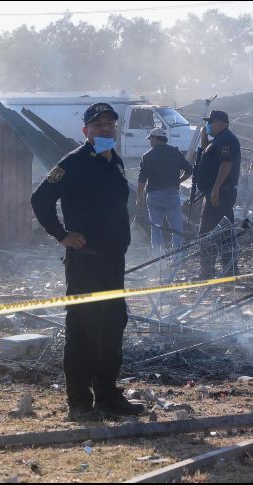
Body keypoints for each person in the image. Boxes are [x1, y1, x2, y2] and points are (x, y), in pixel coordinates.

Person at [31, 102, 144, 422]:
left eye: (110, 125)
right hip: (86, 262)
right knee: (83, 330)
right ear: (86, 132)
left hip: (113, 261)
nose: (105, 130)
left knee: (111, 328)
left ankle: (107, 395)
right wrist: (61, 234)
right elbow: (40, 199)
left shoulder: (115, 161)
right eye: (98, 126)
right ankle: (79, 403)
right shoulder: (74, 163)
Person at [195, 110, 241, 278]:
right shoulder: (218, 140)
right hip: (217, 193)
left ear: (220, 123)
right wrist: (203, 136)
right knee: (223, 232)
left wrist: (215, 190)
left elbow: (226, 165)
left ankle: (208, 272)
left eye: (210, 122)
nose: (208, 125)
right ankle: (229, 269)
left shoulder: (227, 139)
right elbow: (207, 152)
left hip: (220, 193)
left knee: (208, 231)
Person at [136, 128, 193, 257]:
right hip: (171, 195)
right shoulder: (175, 152)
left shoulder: (147, 156)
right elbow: (189, 170)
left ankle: (158, 259)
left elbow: (141, 180)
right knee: (176, 227)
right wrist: (179, 181)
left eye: (151, 138)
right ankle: (176, 257)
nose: (150, 141)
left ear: (156, 138)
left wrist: (139, 198)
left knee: (156, 228)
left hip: (154, 196)